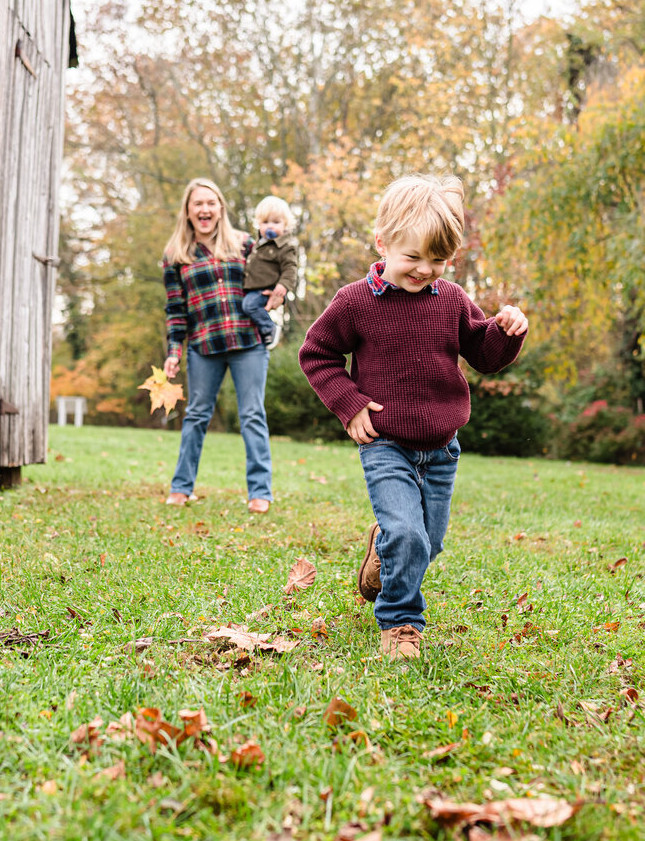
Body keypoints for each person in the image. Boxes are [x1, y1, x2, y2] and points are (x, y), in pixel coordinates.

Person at [298, 174, 528, 660]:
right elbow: (317, 354)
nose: (426, 270)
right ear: (383, 243)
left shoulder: (451, 300)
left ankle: (383, 553)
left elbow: (484, 354)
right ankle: (401, 623)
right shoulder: (354, 302)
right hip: (386, 443)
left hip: (442, 449)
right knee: (409, 534)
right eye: (413, 257)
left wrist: (506, 330)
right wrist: (349, 402)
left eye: (438, 260)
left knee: (427, 543)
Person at [162, 178, 275, 513]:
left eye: (211, 203)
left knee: (252, 414)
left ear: (220, 207)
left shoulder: (244, 244)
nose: (205, 209)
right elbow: (175, 309)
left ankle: (260, 493)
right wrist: (174, 350)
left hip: (247, 342)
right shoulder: (175, 256)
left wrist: (277, 295)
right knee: (196, 415)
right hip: (203, 346)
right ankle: (181, 488)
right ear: (188, 211)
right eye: (198, 204)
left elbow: (269, 281)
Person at [241, 196, 299, 350]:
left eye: (276, 222)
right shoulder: (259, 244)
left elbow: (290, 267)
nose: (270, 227)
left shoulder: (285, 246)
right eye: (265, 223)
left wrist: (283, 285)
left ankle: (269, 328)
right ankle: (264, 330)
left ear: (285, 225)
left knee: (249, 306)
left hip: (266, 288)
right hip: (253, 287)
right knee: (248, 305)